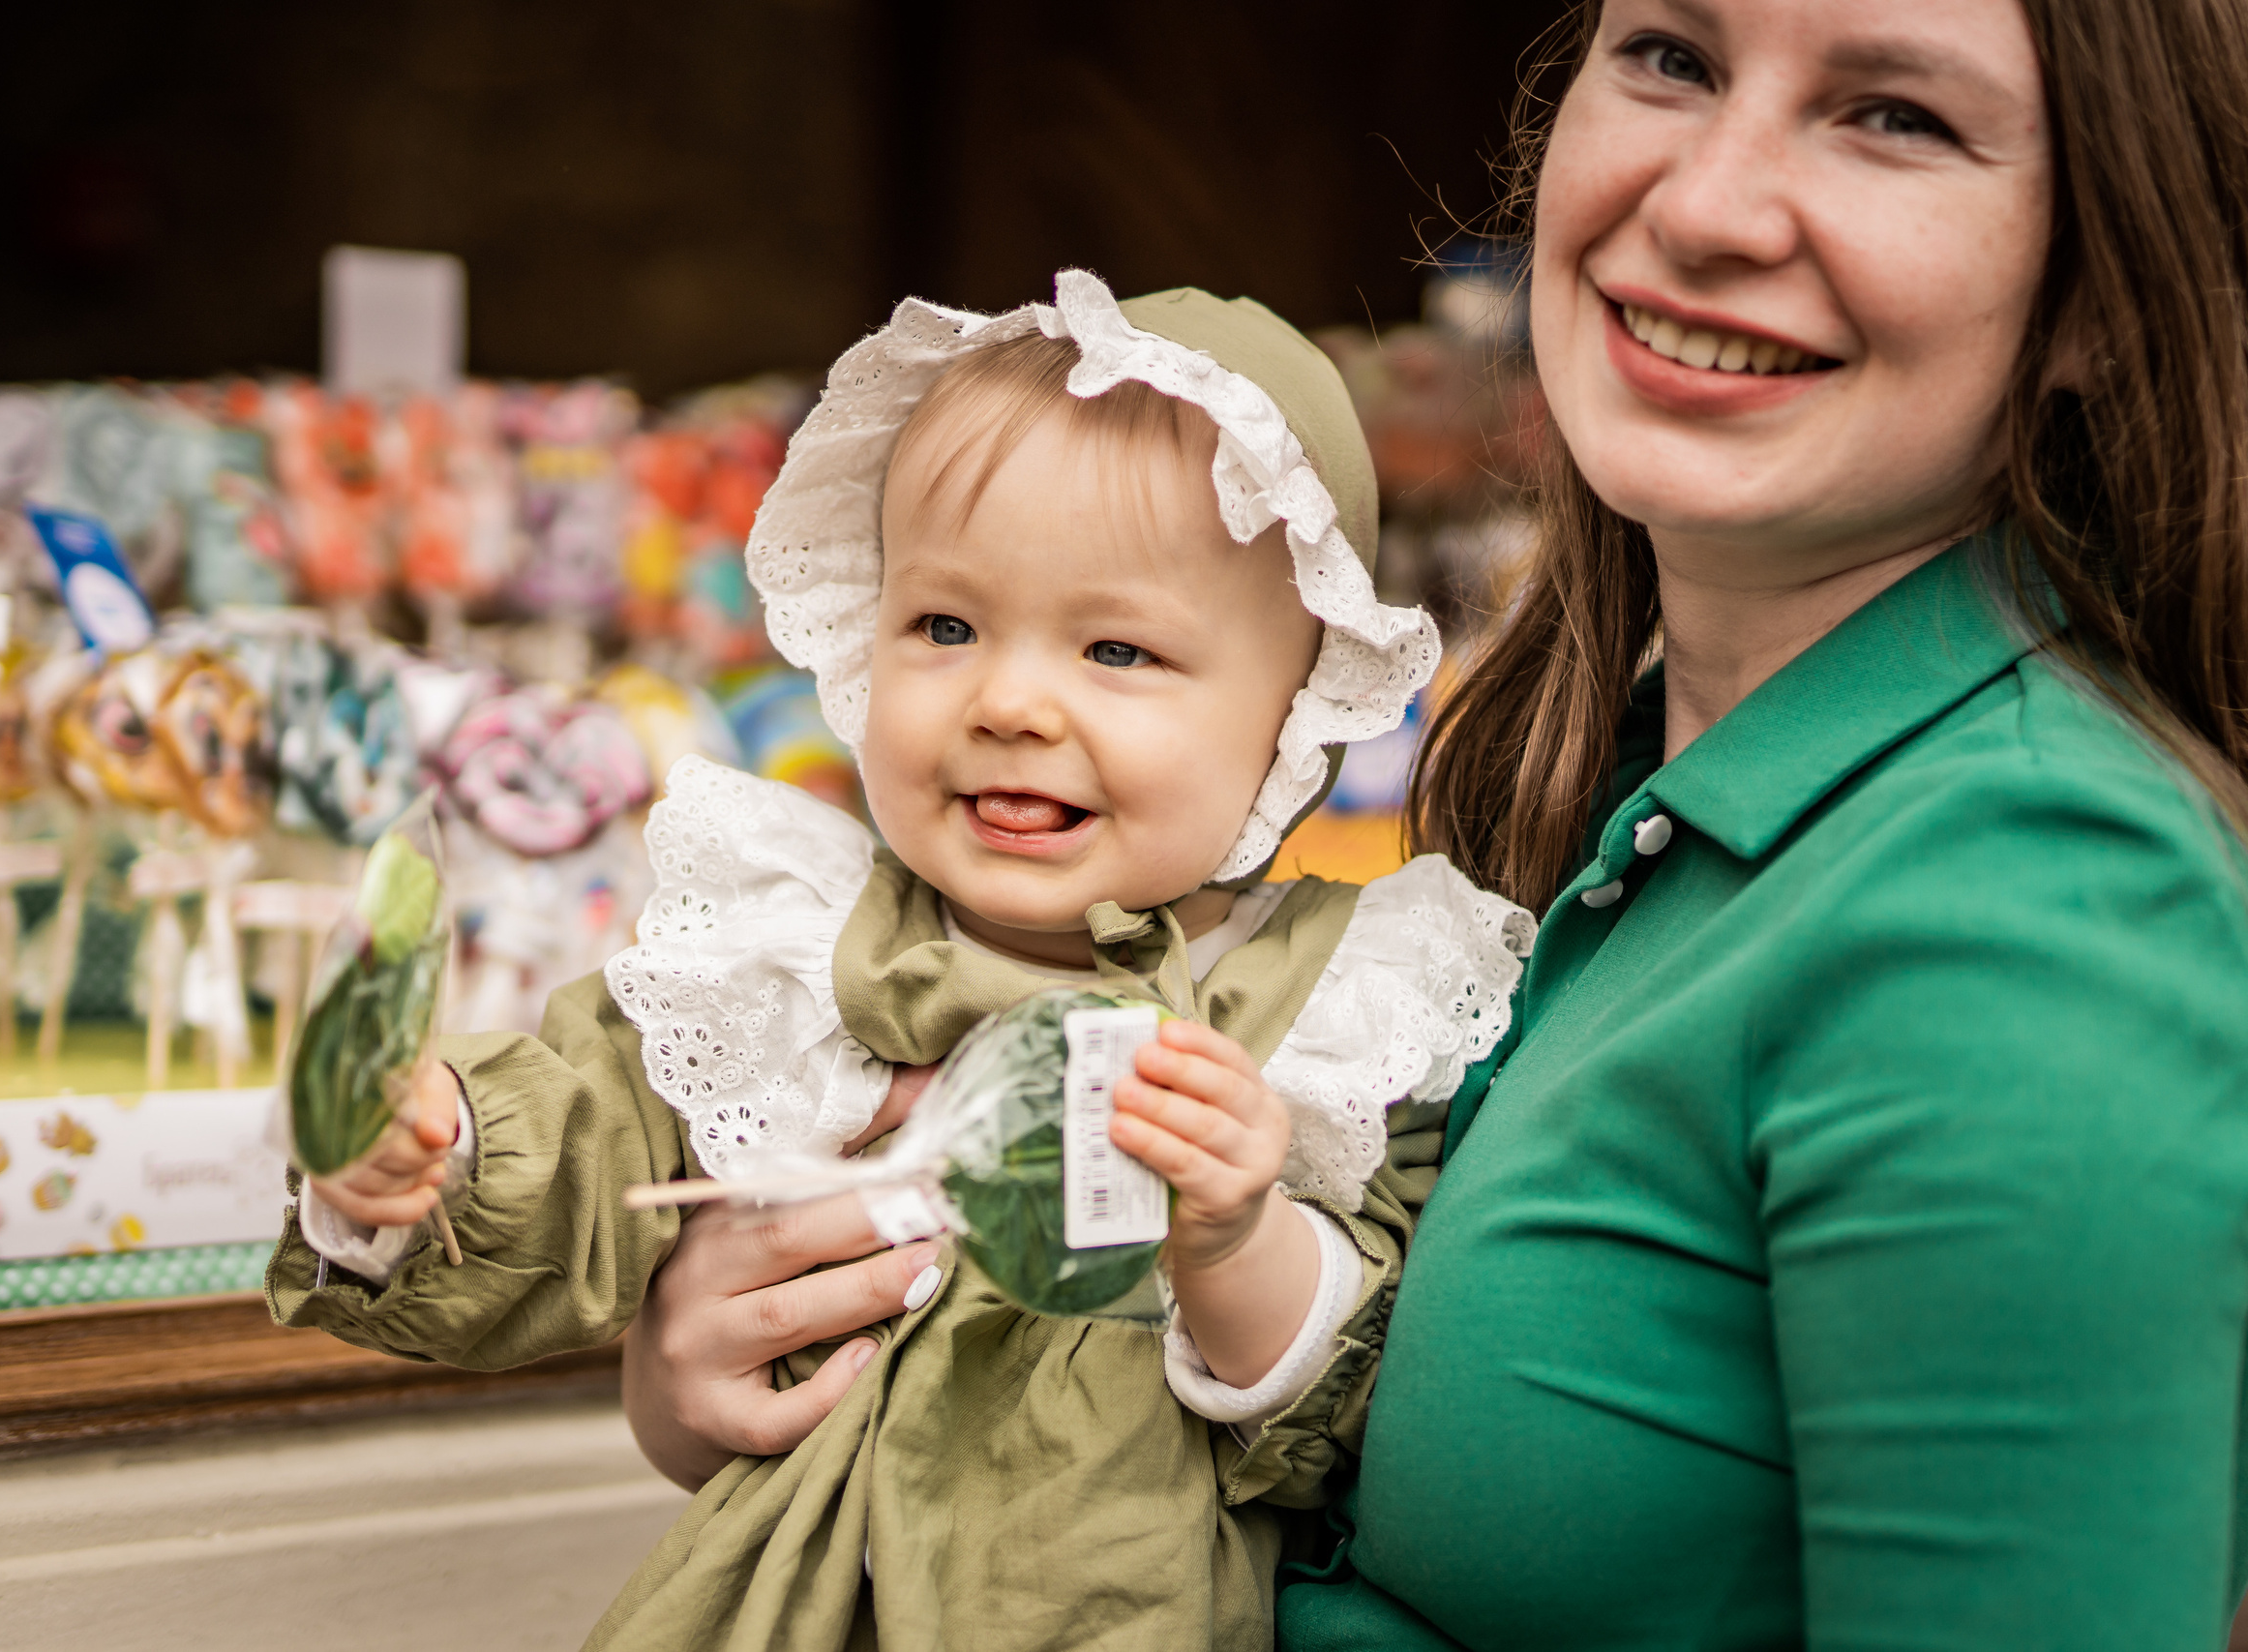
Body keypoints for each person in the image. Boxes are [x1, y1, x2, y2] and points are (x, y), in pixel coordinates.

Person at [628, 0, 2248, 1644]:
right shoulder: (1623, 783)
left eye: (1894, 115)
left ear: (2100, 293)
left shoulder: (2030, 915)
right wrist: (792, 1360)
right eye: (1675, 58)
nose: (1703, 205)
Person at [267, 269, 1531, 1650]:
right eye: (945, 626)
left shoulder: (1324, 1020)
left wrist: (1237, 1240)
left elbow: (1361, 1424)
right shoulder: (792, 959)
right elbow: (586, 1141)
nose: (1006, 702)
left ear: (1298, 710)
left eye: (1116, 648)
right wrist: (423, 1155)